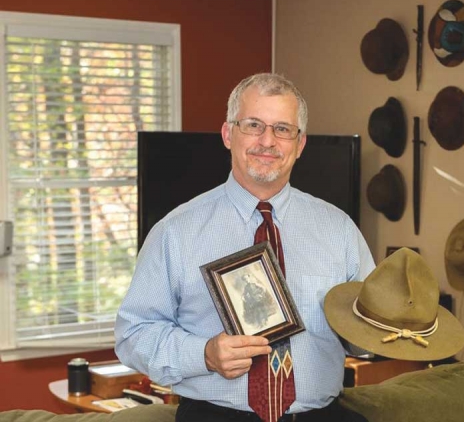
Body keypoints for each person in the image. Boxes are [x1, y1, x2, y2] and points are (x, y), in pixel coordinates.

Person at [114, 73, 376, 421]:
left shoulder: (339, 230)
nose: (267, 141)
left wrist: (386, 326)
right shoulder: (175, 232)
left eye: (283, 129)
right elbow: (133, 334)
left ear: (299, 145)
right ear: (228, 134)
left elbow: (365, 336)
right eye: (253, 125)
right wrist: (204, 354)